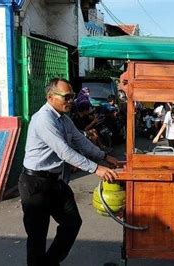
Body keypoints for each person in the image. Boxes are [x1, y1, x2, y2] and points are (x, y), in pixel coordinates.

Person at [19, 78, 119, 266]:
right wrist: (96, 168)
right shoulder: (43, 119)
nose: (71, 100)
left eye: (72, 96)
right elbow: (64, 151)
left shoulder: (64, 119)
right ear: (50, 97)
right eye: (67, 97)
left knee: (72, 222)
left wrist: (103, 156)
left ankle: (49, 262)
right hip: (35, 184)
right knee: (37, 238)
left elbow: (80, 141)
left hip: (55, 182)